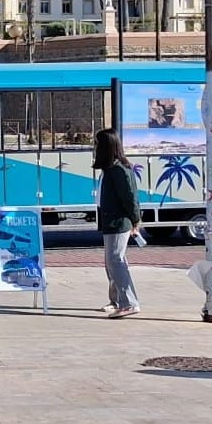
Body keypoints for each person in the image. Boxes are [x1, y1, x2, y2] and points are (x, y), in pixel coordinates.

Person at [93, 128, 140, 318]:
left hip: (119, 221)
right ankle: (117, 300)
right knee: (111, 262)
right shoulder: (109, 169)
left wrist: (136, 220)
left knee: (116, 260)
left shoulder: (118, 170)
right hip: (109, 220)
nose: (95, 148)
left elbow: (130, 197)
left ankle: (129, 302)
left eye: (97, 144)